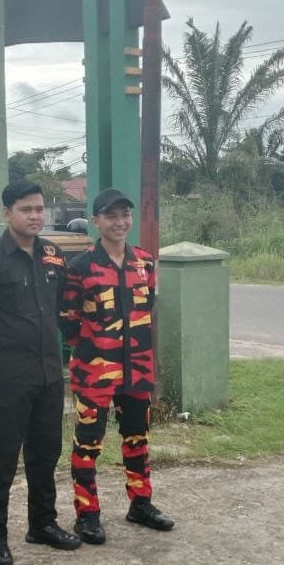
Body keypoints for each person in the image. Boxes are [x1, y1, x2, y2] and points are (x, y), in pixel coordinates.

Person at [0, 180, 82, 565]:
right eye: (26, 209)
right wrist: (3, 346)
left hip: (48, 375)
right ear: (7, 213)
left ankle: (42, 524)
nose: (34, 216)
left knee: (45, 454)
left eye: (39, 209)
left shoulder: (53, 255)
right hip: (7, 378)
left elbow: (60, 305)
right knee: (2, 460)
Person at [59, 188, 174, 545]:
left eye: (125, 214)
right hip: (95, 371)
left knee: (137, 438)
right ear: (96, 221)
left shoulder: (144, 263)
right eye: (111, 216)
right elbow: (67, 321)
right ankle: (87, 515)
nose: (119, 222)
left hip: (137, 368)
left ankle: (141, 504)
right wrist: (96, 345)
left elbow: (146, 308)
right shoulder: (80, 267)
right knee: (88, 444)